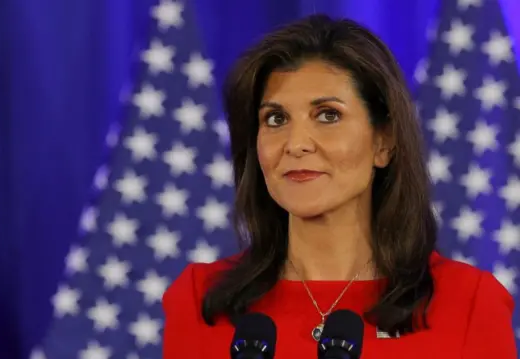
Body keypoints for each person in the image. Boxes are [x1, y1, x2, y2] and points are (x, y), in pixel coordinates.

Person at [161, 14, 517, 358]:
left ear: (383, 141)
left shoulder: (468, 303)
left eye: (328, 115)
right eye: (276, 118)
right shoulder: (200, 301)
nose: (296, 143)